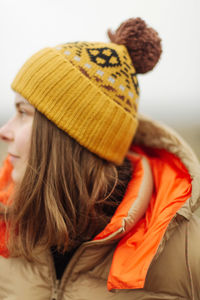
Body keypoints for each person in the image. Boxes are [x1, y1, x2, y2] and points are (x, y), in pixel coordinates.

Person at [0, 17, 200, 300]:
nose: (4, 132)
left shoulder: (186, 252)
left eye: (23, 113)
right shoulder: (8, 227)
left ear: (70, 137)